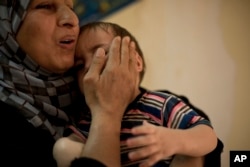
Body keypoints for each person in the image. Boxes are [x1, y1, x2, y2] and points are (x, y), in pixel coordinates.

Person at [53, 21, 218, 167]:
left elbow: (208, 136)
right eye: (79, 65)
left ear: (137, 62)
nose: (89, 66)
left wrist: (175, 140)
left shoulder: (161, 103)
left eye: (101, 53)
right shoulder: (87, 120)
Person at [0, 1, 138, 167]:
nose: (71, 19)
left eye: (71, 8)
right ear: (6, 25)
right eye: (45, 6)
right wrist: (107, 113)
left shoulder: (91, 86)